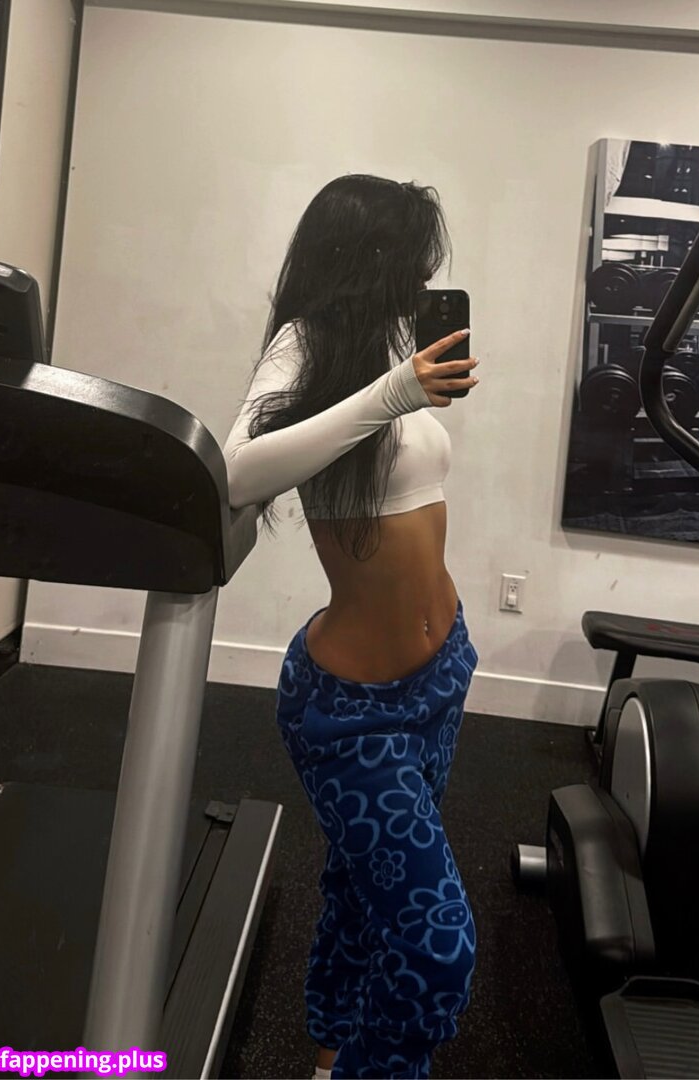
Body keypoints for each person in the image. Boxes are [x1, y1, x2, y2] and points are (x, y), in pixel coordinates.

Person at [223, 174, 481, 1079]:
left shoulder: (400, 338)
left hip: (442, 672)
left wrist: (406, 378)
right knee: (437, 945)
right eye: (413, 258)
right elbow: (237, 471)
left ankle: (333, 1045)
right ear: (368, 254)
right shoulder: (308, 343)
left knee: (364, 891)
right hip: (352, 711)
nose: (425, 277)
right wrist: (393, 391)